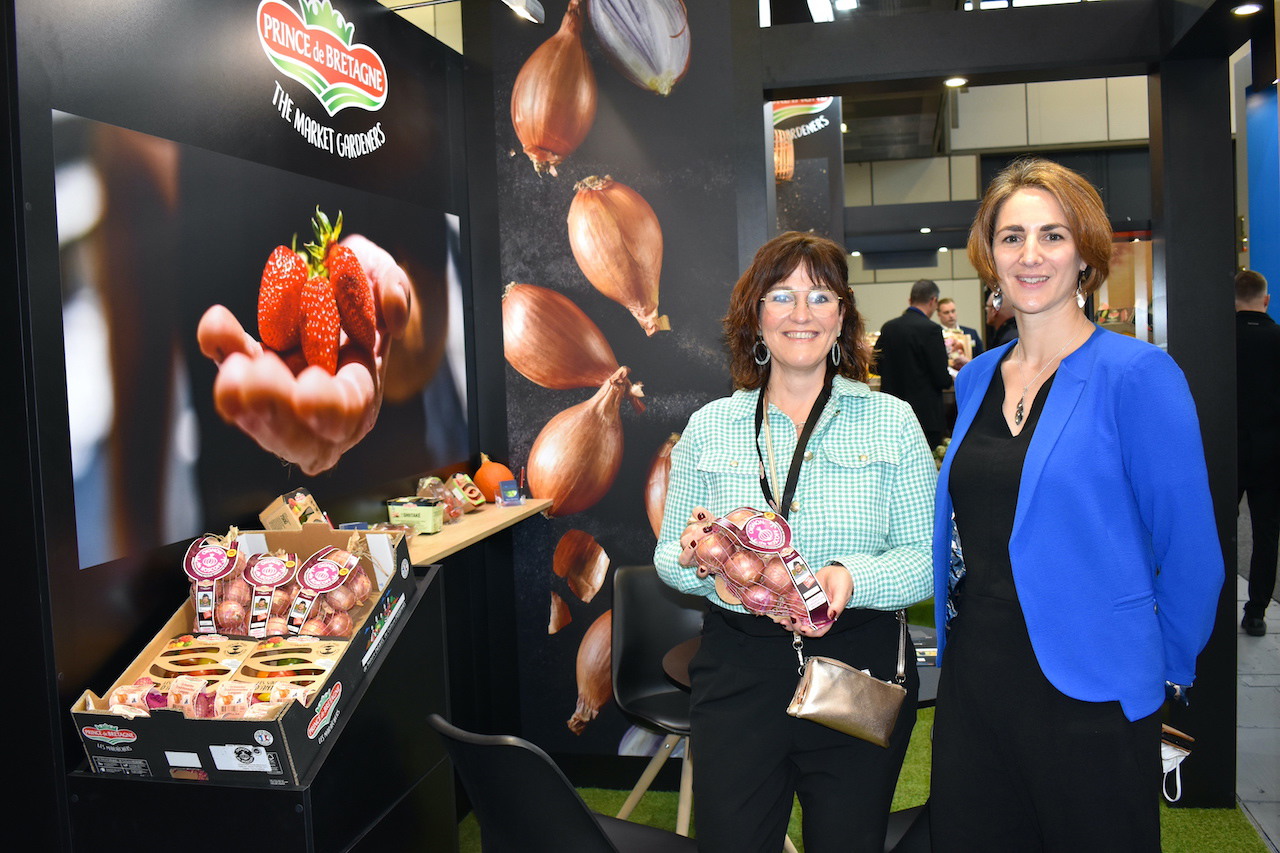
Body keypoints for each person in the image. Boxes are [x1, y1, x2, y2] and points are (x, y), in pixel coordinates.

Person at [929, 157, 1222, 851]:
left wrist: (1160, 671)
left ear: (1085, 254)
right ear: (991, 256)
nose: (1030, 255)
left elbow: (1190, 554)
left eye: (1052, 235)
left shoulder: (1139, 376)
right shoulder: (976, 378)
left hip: (1095, 687)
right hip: (976, 679)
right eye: (1012, 237)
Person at [655, 231, 936, 853]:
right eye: (781, 296)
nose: (801, 313)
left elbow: (929, 558)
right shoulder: (711, 426)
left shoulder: (891, 421)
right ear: (755, 316)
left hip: (855, 664)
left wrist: (851, 577)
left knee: (848, 840)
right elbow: (668, 558)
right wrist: (704, 560)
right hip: (738, 670)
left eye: (820, 296)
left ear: (842, 317)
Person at [1236, 268, 1280, 636]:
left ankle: (1215, 607)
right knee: (1267, 533)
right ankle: (1256, 613)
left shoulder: (1220, 340)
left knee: (1218, 528)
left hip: (1227, 449)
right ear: (1265, 300)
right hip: (1272, 451)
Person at [874, 278, 954, 448]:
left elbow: (876, 366)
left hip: (891, 415)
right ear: (933, 301)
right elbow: (941, 378)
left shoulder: (889, 327)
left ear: (910, 300)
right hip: (925, 417)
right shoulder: (931, 329)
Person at [938, 296, 984, 368]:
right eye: (946, 313)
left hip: (970, 370)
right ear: (939, 315)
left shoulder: (971, 333)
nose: (951, 315)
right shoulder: (936, 335)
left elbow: (981, 357)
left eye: (953, 311)